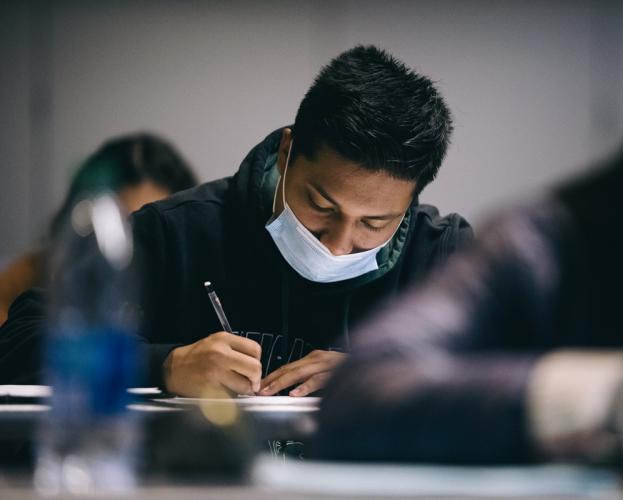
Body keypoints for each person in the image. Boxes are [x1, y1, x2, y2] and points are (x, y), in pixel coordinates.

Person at [312, 2, 623, 464]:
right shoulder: (544, 251)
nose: (341, 246)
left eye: (375, 222)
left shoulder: (440, 240)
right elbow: (362, 394)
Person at [0, 46, 472, 395]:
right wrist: (162, 366)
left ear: (411, 201)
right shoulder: (176, 233)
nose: (338, 244)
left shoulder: (444, 257)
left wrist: (388, 373)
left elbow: (531, 373)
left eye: (374, 223)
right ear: (288, 152)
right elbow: (21, 342)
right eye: (322, 207)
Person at [0, 133, 197, 326]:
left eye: (148, 231)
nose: (125, 246)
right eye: (118, 224)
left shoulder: (182, 293)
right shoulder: (21, 284)